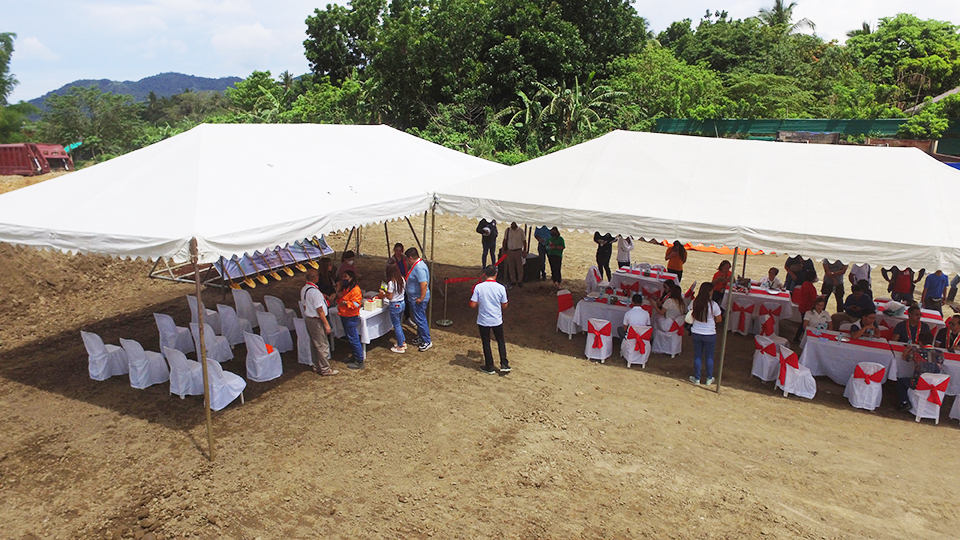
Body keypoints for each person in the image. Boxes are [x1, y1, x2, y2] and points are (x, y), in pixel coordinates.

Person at [469, 265, 510, 374]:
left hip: (483, 319)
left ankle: (489, 366)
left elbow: (472, 304)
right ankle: (504, 364)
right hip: (496, 319)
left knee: (486, 342)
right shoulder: (501, 288)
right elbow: (505, 305)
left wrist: (479, 302)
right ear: (495, 274)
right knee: (500, 341)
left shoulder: (479, 287)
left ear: (485, 274)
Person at [301, 268, 338, 376]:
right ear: (314, 278)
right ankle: (325, 368)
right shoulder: (315, 293)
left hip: (309, 318)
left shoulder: (304, 289)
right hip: (316, 320)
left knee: (314, 343)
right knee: (322, 344)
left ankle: (316, 365)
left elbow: (304, 305)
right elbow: (320, 310)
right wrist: (326, 324)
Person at [897, 332, 944, 411]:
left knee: (901, 381)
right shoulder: (940, 353)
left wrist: (907, 349)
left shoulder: (917, 352)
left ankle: (905, 402)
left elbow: (905, 358)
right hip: (935, 383)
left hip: (919, 383)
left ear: (920, 342)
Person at [690, 282, 722, 385]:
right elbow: (719, 319)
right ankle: (709, 378)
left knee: (698, 355)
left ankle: (697, 378)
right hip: (709, 333)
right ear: (709, 292)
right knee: (709, 356)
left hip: (696, 331)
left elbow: (690, 313)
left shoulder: (694, 302)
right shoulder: (713, 305)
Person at [404, 247, 433, 351]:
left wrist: (421, 297)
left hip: (418, 298)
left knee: (420, 319)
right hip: (414, 297)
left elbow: (424, 284)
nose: (407, 261)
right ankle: (421, 336)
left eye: (407, 259)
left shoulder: (419, 268)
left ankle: (427, 340)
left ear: (411, 258)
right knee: (419, 318)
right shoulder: (417, 266)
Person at [337, 270, 365, 369]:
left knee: (354, 339)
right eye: (343, 277)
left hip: (351, 317)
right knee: (350, 338)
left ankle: (360, 360)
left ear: (351, 278)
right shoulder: (346, 288)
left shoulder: (355, 290)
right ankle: (355, 356)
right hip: (344, 315)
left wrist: (347, 303)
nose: (344, 279)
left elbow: (357, 304)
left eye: (346, 277)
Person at [378, 262, 407, 353]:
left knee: (396, 325)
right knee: (399, 324)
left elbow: (390, 297)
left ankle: (400, 346)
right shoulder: (402, 279)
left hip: (395, 305)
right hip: (402, 303)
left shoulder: (391, 283)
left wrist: (384, 293)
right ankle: (402, 341)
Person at [793, 270, 819, 342]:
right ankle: (801, 338)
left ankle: (798, 338)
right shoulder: (810, 287)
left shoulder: (804, 284)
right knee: (805, 324)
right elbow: (813, 298)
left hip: (802, 305)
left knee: (803, 323)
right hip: (807, 307)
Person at [502, 222, 526, 289]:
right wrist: (503, 250)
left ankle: (520, 281)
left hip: (518, 250)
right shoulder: (507, 230)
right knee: (511, 266)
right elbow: (505, 240)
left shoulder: (521, 231)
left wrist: (524, 251)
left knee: (519, 267)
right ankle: (513, 280)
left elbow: (524, 241)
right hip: (510, 251)